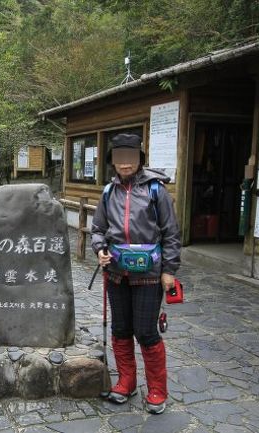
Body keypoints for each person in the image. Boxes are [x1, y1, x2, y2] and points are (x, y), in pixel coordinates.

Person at [91, 133, 181, 414]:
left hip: (150, 275)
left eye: (130, 157)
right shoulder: (108, 193)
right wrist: (100, 249)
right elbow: (98, 230)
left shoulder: (156, 191)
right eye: (120, 158)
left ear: (139, 159)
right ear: (113, 161)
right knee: (120, 329)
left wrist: (169, 270)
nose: (125, 163)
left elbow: (171, 233)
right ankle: (126, 381)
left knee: (145, 332)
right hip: (117, 273)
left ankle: (157, 389)